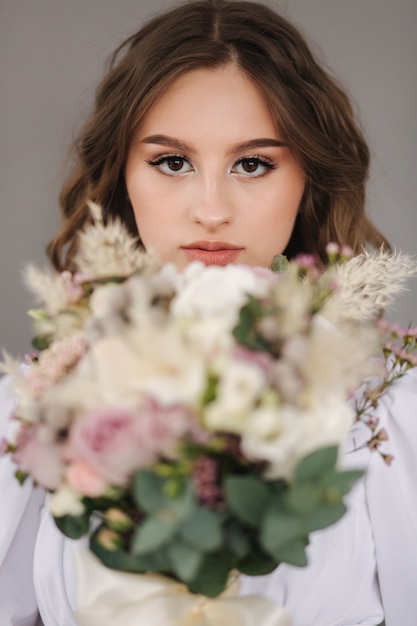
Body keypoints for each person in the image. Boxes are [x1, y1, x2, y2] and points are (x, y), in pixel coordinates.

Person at [0, 1, 416, 624]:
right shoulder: (32, 411)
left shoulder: (391, 418)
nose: (212, 209)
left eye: (253, 164)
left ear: (309, 177)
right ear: (123, 177)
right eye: (173, 162)